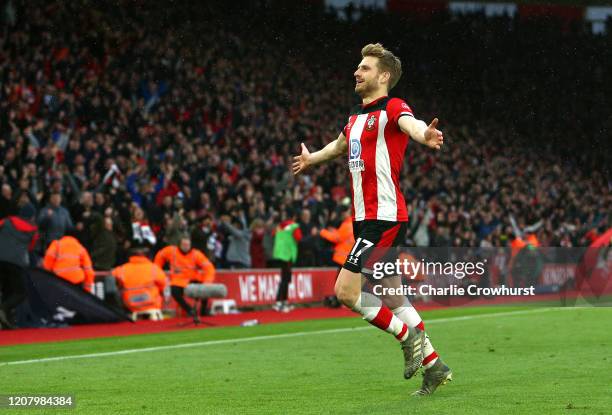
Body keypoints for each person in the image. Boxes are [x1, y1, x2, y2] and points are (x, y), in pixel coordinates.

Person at [292, 43, 450, 395]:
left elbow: (411, 124)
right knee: (394, 298)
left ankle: (408, 338)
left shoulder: (394, 107)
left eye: (364, 68)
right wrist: (311, 159)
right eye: (358, 67)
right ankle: (435, 366)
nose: (357, 72)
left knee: (345, 292)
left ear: (383, 76)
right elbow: (337, 146)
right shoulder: (354, 120)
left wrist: (425, 135)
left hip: (385, 217)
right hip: (366, 220)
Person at [154, 236, 215, 317]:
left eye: (188, 245)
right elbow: (159, 257)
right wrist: (158, 272)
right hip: (178, 281)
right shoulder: (171, 251)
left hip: (193, 279)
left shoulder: (196, 254)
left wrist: (207, 281)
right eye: (184, 244)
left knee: (205, 289)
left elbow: (209, 268)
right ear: (179, 244)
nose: (186, 247)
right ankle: (189, 310)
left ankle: (203, 310)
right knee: (174, 291)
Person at [0, 204, 38, 329]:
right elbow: (31, 247)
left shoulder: (6, 221)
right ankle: (3, 309)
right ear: (32, 216)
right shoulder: (33, 230)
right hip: (16, 263)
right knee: (20, 293)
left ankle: (7, 322)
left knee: (7, 291)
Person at [112, 244, 167, 316]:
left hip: (130, 304)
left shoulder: (121, 269)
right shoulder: (154, 268)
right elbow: (163, 285)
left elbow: (112, 280)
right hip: (151, 303)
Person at [272, 209, 302, 313]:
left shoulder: (280, 226)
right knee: (285, 279)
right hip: (287, 255)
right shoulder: (294, 226)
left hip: (279, 253)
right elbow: (299, 238)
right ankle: (280, 302)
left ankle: (283, 301)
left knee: (284, 278)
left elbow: (273, 235)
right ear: (294, 217)